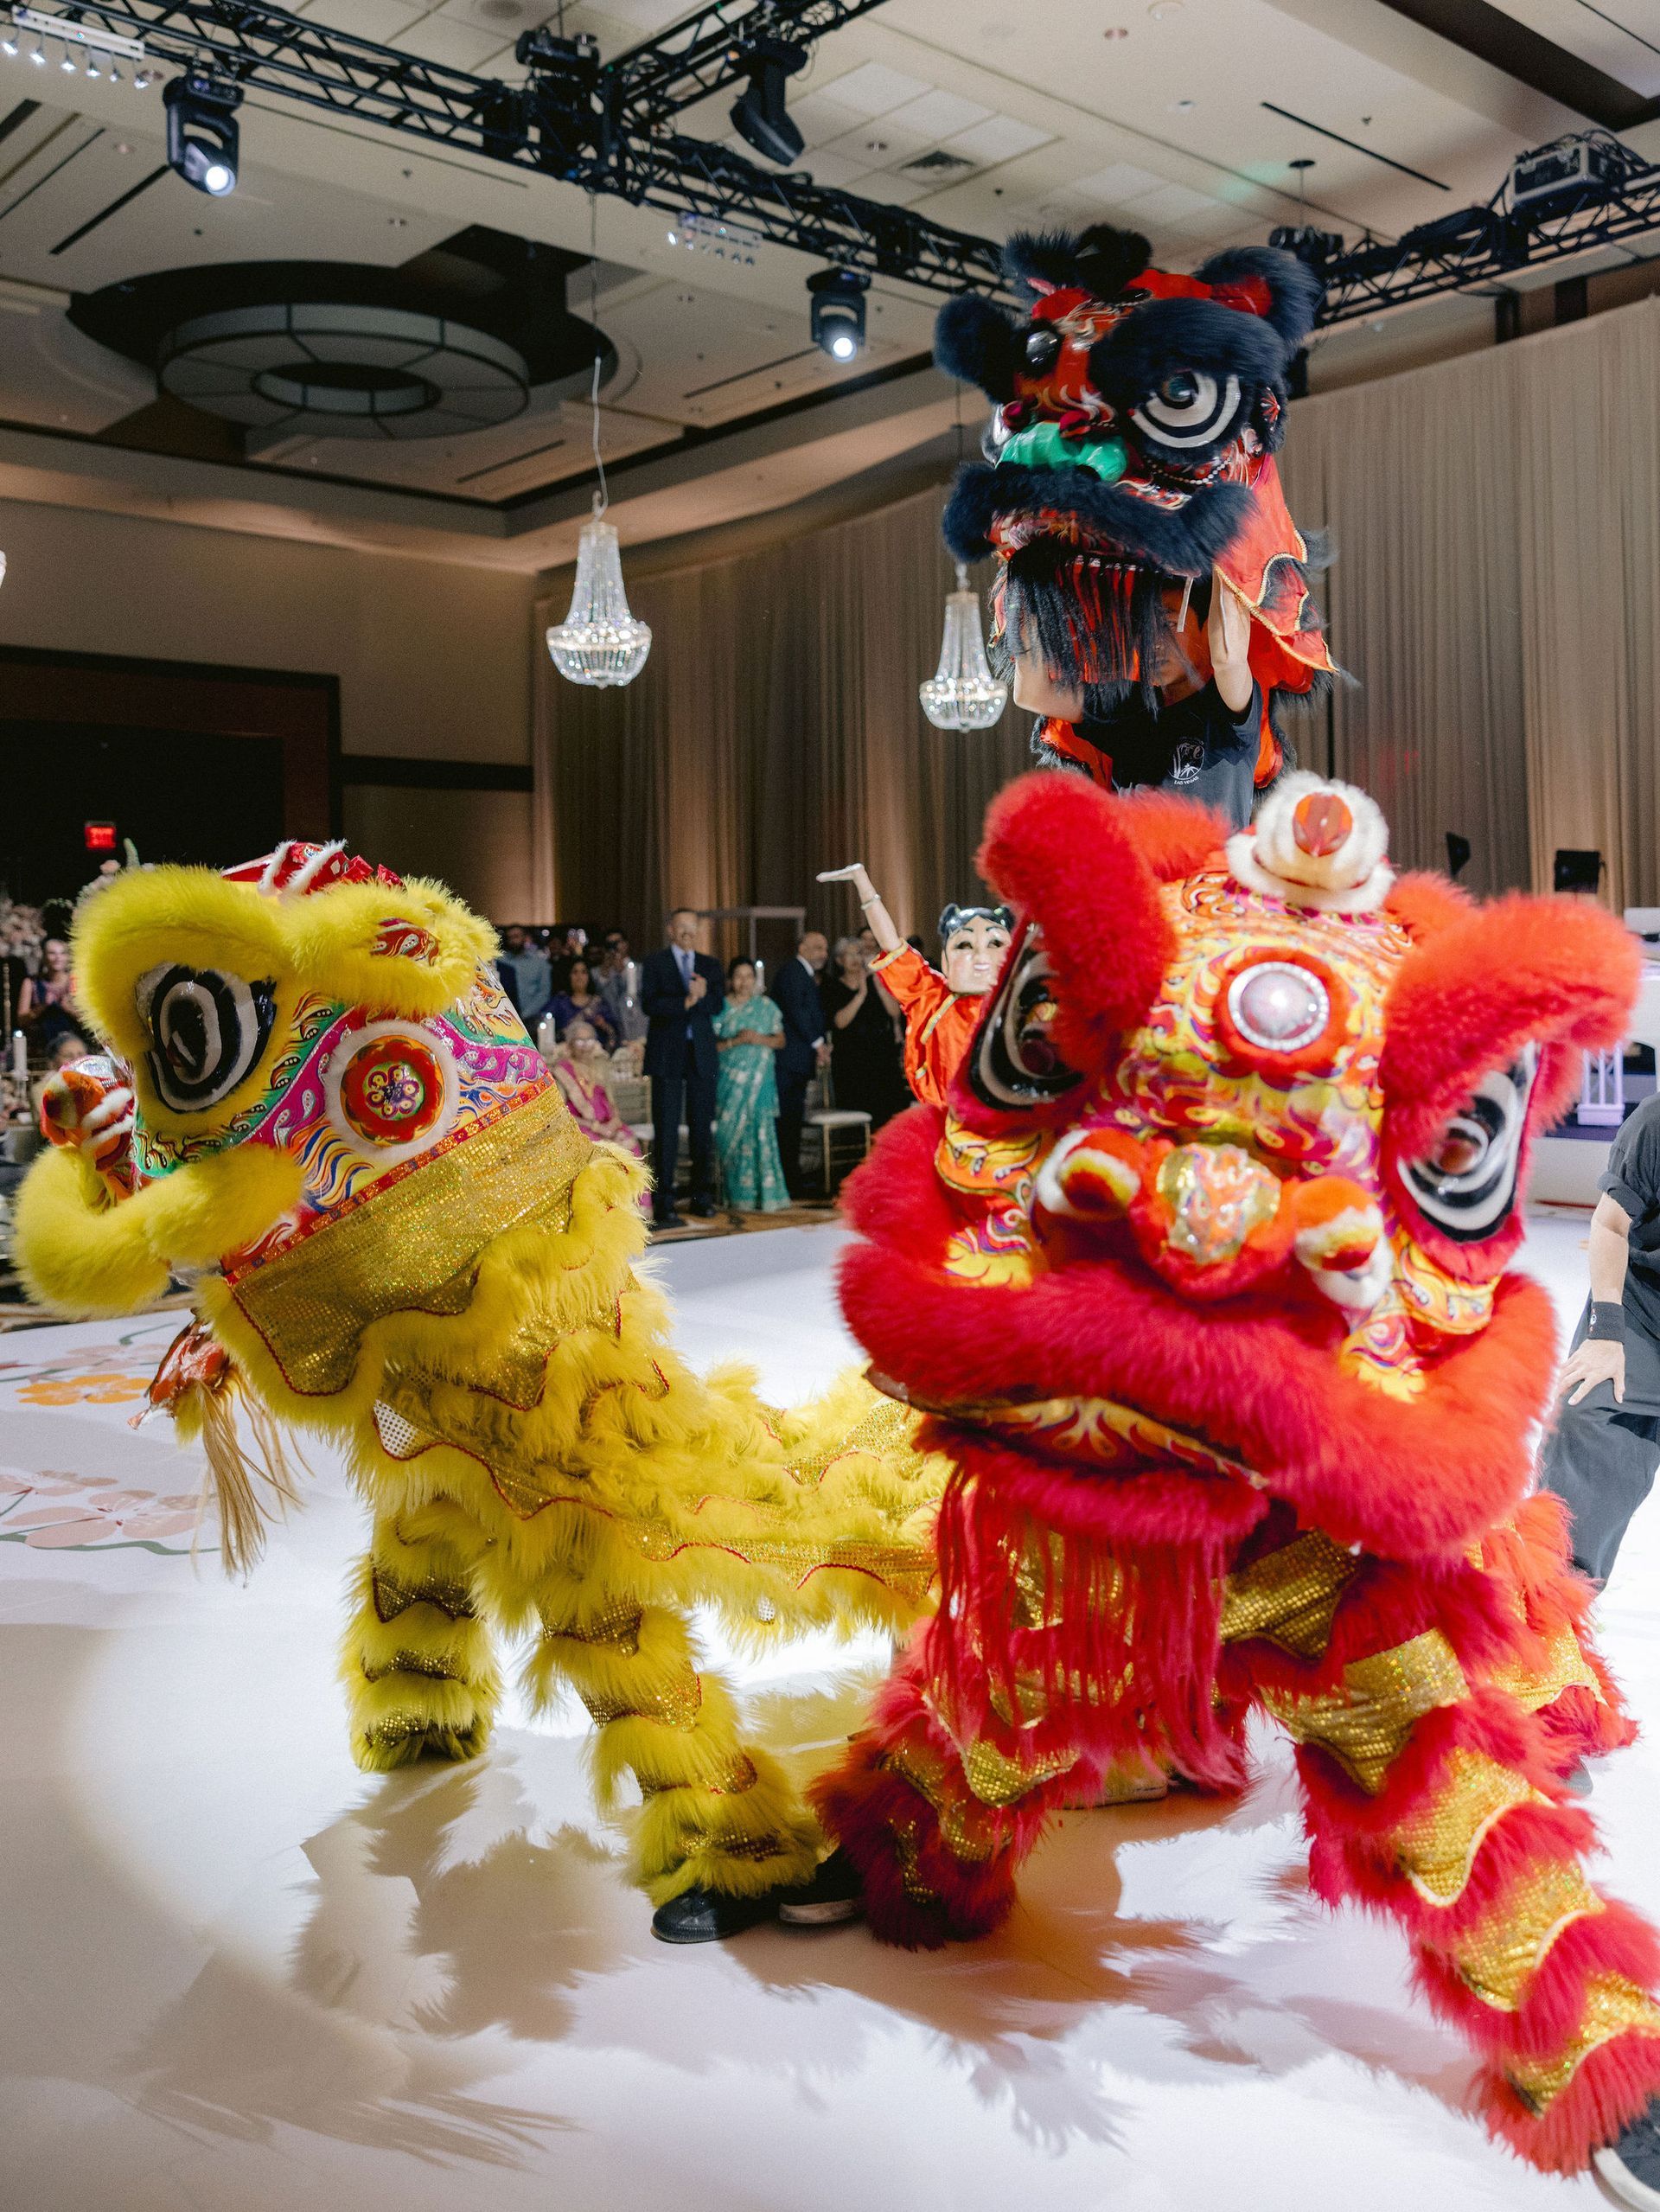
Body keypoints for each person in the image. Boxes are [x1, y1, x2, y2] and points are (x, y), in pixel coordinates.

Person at [1014, 567, 1263, 833]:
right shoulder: (1128, 705)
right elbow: (1033, 693)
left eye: (1168, 625)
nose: (1152, 642)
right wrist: (1030, 589)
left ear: (1207, 630)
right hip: (1130, 860)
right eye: (1144, 628)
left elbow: (1228, 657)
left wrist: (1224, 559)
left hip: (1209, 861)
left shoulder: (1227, 706)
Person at [1538, 1092, 1660, 1585]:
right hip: (1643, 1310)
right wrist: (1605, 1335)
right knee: (1585, 1409)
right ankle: (1554, 1595)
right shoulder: (1655, 1121)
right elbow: (1610, 1225)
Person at [816, 865, 1012, 1109]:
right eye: (964, 945)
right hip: (948, 1121)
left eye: (995, 944)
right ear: (946, 958)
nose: (981, 955)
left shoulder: (1024, 1004)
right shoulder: (931, 996)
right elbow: (891, 945)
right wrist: (863, 885)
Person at [641, 907, 724, 1230]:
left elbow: (717, 1004)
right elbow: (650, 1004)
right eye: (682, 926)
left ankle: (702, 1197)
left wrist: (701, 998)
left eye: (693, 926)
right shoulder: (655, 963)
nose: (688, 932)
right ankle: (664, 1203)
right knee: (667, 1129)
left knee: (702, 1127)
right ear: (671, 930)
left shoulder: (710, 965)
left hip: (701, 1054)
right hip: (667, 1054)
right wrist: (685, 1002)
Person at [712, 957, 788, 1213]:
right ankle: (736, 1196)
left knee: (760, 1131)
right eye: (739, 976)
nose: (744, 982)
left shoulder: (766, 1007)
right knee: (731, 1133)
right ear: (730, 980)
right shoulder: (720, 1007)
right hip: (730, 1082)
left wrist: (757, 1038)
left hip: (760, 1082)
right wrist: (735, 1041)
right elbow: (711, 1047)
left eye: (749, 976)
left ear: (755, 980)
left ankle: (766, 1195)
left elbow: (780, 1041)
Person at [548, 1018, 647, 1211]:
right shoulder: (562, 1071)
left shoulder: (600, 1066)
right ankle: (604, 1210)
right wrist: (596, 1127)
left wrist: (614, 1121)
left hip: (607, 1125)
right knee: (598, 1149)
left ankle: (634, 1210)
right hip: (580, 1127)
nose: (585, 1046)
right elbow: (561, 1112)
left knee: (628, 1141)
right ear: (570, 1044)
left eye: (589, 1040)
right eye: (580, 1041)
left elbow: (611, 1101)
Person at [820, 937, 908, 1128]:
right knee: (858, 1112)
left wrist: (879, 986)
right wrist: (861, 995)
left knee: (889, 1112)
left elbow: (894, 1012)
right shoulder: (832, 986)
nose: (855, 959)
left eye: (859, 954)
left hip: (882, 1056)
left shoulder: (874, 982)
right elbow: (839, 1022)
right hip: (851, 1060)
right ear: (839, 960)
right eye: (849, 954)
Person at [772, 928, 829, 1200]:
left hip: (795, 1061)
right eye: (818, 947)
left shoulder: (800, 973)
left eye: (825, 949)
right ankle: (789, 1181)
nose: (824, 954)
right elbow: (798, 1012)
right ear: (802, 947)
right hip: (789, 1062)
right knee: (788, 1123)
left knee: (792, 1122)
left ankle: (792, 1179)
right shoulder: (793, 972)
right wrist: (818, 1043)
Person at [18, 938, 84, 1058]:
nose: (58, 958)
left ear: (68, 957)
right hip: (42, 1049)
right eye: (52, 953)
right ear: (44, 957)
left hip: (75, 1048)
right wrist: (42, 1007)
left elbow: (89, 1022)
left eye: (62, 953)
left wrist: (69, 1009)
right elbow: (22, 1020)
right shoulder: (31, 983)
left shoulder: (77, 981)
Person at [546, 956, 617, 1049]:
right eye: (575, 972)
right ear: (569, 976)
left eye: (584, 972)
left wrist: (603, 1025)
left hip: (594, 1053)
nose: (579, 976)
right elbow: (544, 1021)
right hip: (566, 1053)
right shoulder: (560, 1002)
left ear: (589, 976)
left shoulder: (599, 1003)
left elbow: (614, 1033)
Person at [495, 924, 552, 1028]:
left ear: (525, 937)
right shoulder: (500, 962)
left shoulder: (539, 962)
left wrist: (525, 1014)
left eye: (516, 936)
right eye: (510, 937)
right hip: (504, 1018)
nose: (513, 941)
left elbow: (544, 992)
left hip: (533, 1018)